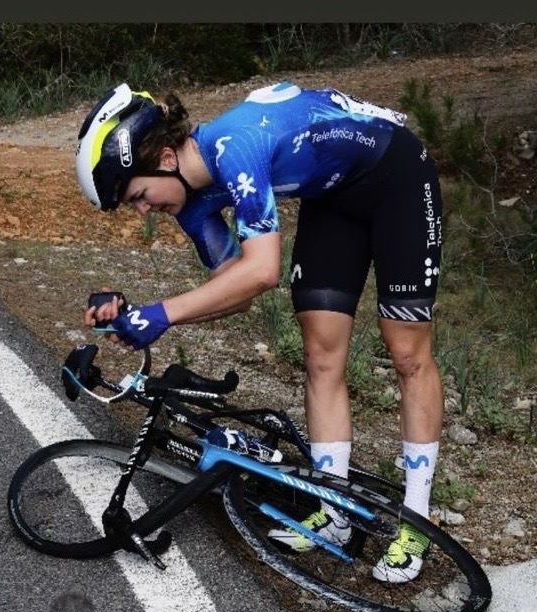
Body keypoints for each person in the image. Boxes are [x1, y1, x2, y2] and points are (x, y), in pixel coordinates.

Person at [76, 81, 444, 584]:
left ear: (165, 158)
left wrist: (158, 315)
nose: (143, 211)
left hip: (395, 177)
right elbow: (236, 289)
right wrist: (138, 315)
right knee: (320, 356)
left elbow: (262, 270)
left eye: (138, 195)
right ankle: (333, 510)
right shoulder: (189, 202)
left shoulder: (237, 145)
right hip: (332, 199)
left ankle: (418, 520)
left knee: (407, 355)